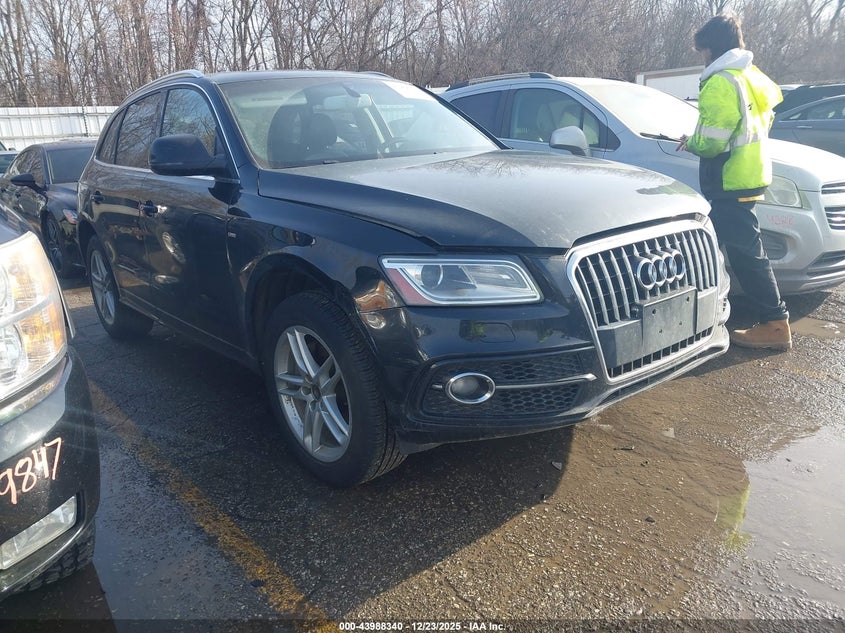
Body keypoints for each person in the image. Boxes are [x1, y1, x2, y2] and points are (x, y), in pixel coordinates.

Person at [677, 13, 791, 351]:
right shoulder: (749, 76)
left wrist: (691, 142)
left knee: (746, 255)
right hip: (749, 174)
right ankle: (711, 313)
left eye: (701, 51)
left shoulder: (719, 81)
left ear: (710, 48)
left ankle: (774, 323)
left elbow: (712, 140)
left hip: (729, 179)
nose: (702, 57)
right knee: (725, 249)